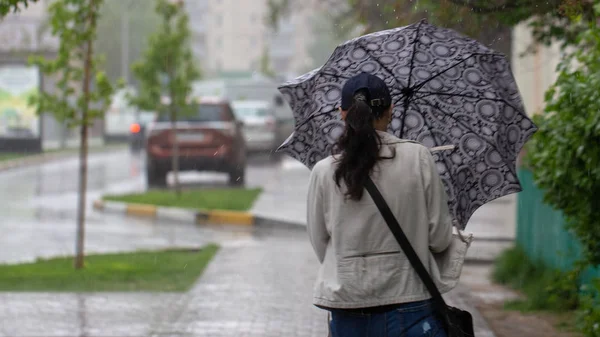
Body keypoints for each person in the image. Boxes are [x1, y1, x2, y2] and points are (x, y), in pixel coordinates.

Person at [306, 73, 454, 337]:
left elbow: (321, 244)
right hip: (411, 303)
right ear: (390, 111)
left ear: (342, 113)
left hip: (348, 307)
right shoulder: (418, 157)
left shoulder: (324, 171)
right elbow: (440, 239)